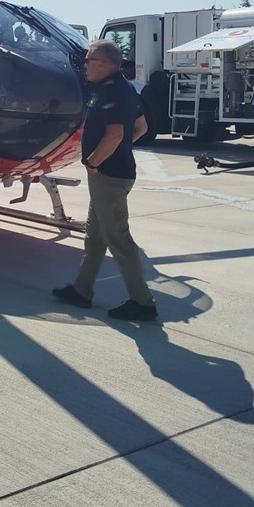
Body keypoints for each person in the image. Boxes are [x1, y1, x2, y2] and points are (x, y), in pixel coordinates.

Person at [53, 38, 156, 320]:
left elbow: (115, 134)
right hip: (111, 174)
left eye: (90, 60)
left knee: (119, 240)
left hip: (109, 176)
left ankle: (143, 303)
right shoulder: (122, 88)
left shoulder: (113, 92)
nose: (85, 65)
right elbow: (141, 126)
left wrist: (93, 162)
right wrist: (117, 152)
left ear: (106, 64)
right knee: (96, 238)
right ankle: (82, 290)